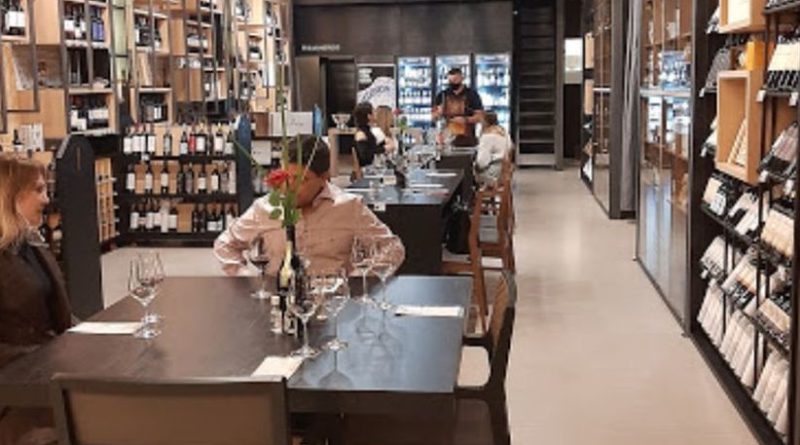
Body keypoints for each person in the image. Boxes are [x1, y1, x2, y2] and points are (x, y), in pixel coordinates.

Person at [214, 136, 405, 276]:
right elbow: (225, 244)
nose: (290, 187)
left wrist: (359, 279)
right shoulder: (265, 208)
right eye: (286, 177)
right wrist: (245, 278)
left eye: (301, 180)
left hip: (333, 301)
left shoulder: (349, 207)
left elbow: (393, 249)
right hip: (280, 300)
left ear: (324, 177)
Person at [0, 154, 73, 445]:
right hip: (16, 391)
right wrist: (43, 355)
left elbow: (58, 315)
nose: (46, 199)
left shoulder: (31, 244)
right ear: (10, 196)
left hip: (50, 374)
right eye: (39, 190)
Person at [432, 67, 484, 147]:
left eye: (455, 80)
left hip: (467, 139)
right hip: (446, 138)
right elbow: (433, 117)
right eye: (450, 80)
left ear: (462, 78)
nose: (452, 83)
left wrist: (466, 120)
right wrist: (438, 113)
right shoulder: (442, 95)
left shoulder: (472, 95)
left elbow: (480, 117)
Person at [475, 111, 513, 187]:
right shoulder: (504, 132)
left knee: (468, 173)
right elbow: (510, 147)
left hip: (492, 173)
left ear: (485, 122)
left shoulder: (487, 136)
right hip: (504, 171)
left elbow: (482, 163)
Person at [352, 102, 385, 168]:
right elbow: (365, 156)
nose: (376, 113)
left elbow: (372, 147)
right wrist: (384, 149)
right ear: (369, 116)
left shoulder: (367, 131)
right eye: (374, 111)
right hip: (368, 169)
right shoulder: (361, 134)